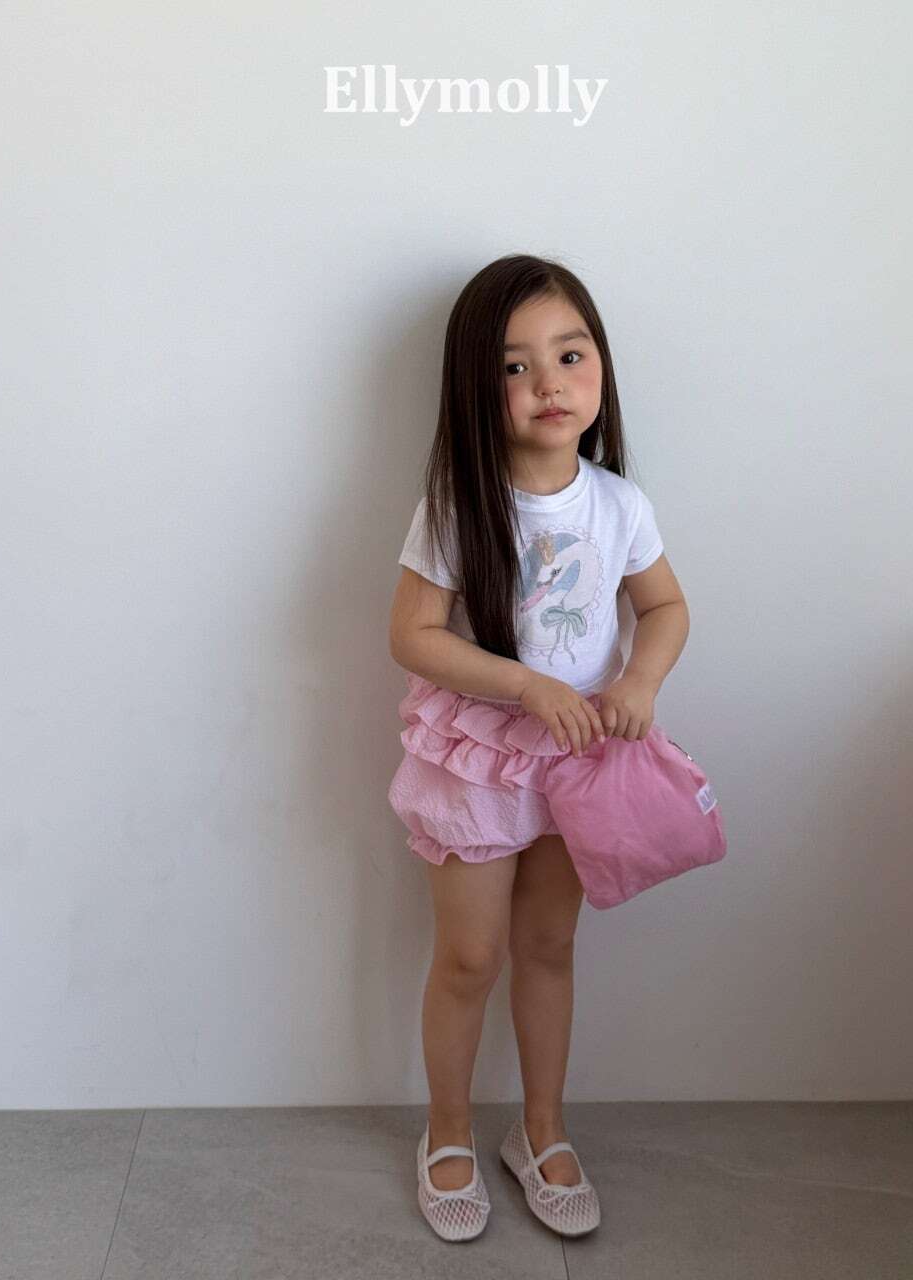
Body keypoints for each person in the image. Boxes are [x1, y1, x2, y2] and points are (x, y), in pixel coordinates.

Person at [386, 253, 715, 1242]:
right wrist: (525, 683)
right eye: (515, 366)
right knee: (470, 955)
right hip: (481, 758)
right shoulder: (460, 502)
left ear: (600, 363)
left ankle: (540, 1130)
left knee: (547, 946)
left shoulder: (618, 504)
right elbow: (413, 634)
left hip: (581, 761)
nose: (548, 383)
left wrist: (639, 682)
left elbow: (664, 606)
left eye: (569, 355)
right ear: (477, 387)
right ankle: (448, 1130)